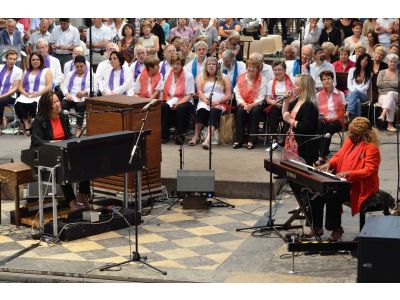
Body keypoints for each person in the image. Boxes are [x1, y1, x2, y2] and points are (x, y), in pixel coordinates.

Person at [315, 117, 381, 241]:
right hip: (345, 182)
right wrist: (330, 164)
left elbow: (370, 171)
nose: (348, 135)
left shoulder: (371, 148)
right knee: (317, 192)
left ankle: (335, 228)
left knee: (333, 194)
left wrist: (348, 174)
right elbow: (338, 155)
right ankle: (316, 226)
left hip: (360, 186)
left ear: (361, 135)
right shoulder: (350, 142)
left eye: (352, 133)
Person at [30, 92, 91, 211]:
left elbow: (68, 135)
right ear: (46, 105)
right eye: (53, 103)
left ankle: (82, 195)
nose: (58, 104)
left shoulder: (63, 116)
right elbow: (36, 141)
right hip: (46, 153)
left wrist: (75, 140)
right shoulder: (39, 119)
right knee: (62, 166)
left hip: (63, 149)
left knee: (85, 161)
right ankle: (71, 201)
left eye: (58, 101)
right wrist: (51, 143)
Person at [188, 56, 232, 149]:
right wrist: (207, 102)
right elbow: (199, 92)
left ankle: (207, 139)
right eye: (209, 64)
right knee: (201, 111)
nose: (211, 66)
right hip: (205, 100)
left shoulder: (225, 77)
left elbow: (228, 95)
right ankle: (195, 136)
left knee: (214, 112)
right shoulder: (200, 77)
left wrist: (218, 101)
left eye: (213, 64)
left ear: (217, 66)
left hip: (220, 102)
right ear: (206, 66)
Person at [282, 74, 319, 166]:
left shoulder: (309, 105)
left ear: (305, 88)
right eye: (294, 83)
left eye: (297, 84)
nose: (294, 86)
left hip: (303, 143)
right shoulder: (297, 99)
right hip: (292, 138)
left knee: (300, 169)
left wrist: (290, 120)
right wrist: (286, 102)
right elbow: (284, 115)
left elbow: (306, 127)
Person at [232, 57, 267, 150]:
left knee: (255, 112)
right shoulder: (241, 78)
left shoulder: (263, 80)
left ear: (258, 69)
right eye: (249, 66)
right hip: (244, 103)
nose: (251, 69)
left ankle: (252, 140)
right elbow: (237, 94)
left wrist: (251, 105)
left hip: (256, 104)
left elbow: (261, 97)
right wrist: (245, 104)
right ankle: (239, 139)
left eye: (254, 67)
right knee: (239, 111)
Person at [14, 52, 52, 136]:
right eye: (33, 60)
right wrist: (25, 93)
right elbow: (20, 87)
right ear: (30, 61)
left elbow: (49, 86)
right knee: (18, 104)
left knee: (34, 104)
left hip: (40, 94)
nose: (35, 61)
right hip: (27, 94)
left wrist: (37, 93)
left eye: (37, 59)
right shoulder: (26, 71)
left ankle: (31, 121)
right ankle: (26, 123)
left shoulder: (46, 71)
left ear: (41, 61)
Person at [161, 54, 194, 144]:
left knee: (180, 109)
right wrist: (169, 101)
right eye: (173, 64)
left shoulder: (189, 76)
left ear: (182, 65)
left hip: (185, 100)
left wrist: (178, 104)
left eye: (178, 64)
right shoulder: (168, 74)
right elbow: (166, 91)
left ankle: (179, 136)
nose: (175, 66)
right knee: (164, 107)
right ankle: (164, 136)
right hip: (171, 99)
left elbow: (189, 95)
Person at [315, 71, 346, 167]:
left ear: (333, 80)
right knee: (318, 127)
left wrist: (334, 117)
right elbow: (316, 111)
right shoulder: (318, 95)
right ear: (321, 82)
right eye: (324, 79)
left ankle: (321, 157)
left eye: (329, 78)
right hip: (323, 120)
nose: (326, 81)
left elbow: (343, 111)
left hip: (337, 120)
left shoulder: (340, 94)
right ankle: (322, 153)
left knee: (328, 128)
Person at [61, 55, 91, 137]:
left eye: (81, 66)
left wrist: (84, 92)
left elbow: (94, 88)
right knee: (63, 104)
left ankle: (79, 127)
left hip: (83, 98)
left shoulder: (90, 75)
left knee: (80, 106)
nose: (79, 68)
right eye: (77, 66)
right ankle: (65, 127)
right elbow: (64, 86)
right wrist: (67, 94)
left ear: (85, 65)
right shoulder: (70, 74)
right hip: (71, 97)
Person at [265, 61, 293, 138]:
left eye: (279, 69)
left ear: (284, 70)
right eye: (275, 70)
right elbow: (268, 98)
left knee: (288, 112)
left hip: (289, 104)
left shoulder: (292, 81)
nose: (277, 72)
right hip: (276, 105)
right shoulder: (270, 83)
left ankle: (285, 136)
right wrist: (274, 102)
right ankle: (273, 137)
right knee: (273, 110)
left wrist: (286, 103)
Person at [345, 53, 372, 121]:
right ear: (359, 60)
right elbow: (349, 85)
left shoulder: (369, 73)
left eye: (366, 60)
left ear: (368, 62)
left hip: (363, 95)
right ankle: (357, 120)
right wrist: (355, 92)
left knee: (356, 94)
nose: (364, 61)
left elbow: (366, 87)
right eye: (362, 59)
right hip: (351, 93)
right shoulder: (352, 70)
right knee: (357, 101)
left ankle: (348, 112)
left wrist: (356, 91)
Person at [0, 49, 23, 129]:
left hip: (10, 96)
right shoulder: (0, 67)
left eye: (14, 59)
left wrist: (1, 96)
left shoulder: (18, 71)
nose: (12, 61)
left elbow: (15, 88)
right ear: (6, 59)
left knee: (1, 100)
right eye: (10, 58)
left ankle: (1, 123)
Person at [376, 54, 398, 132]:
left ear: (397, 63)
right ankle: (390, 125)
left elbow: (398, 84)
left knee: (391, 93)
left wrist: (385, 82)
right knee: (392, 102)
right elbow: (378, 84)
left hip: (396, 95)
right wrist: (392, 83)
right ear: (388, 62)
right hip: (382, 95)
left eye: (395, 62)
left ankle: (383, 114)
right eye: (391, 61)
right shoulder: (382, 72)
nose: (393, 63)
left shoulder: (398, 73)